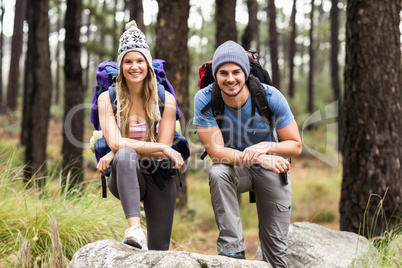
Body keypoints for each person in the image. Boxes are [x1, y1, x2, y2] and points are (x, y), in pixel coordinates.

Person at [193, 40, 302, 267]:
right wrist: (256, 157)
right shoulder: (204, 99)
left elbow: (295, 145)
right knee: (218, 172)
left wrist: (266, 148)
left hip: (272, 169)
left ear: (245, 72)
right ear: (216, 74)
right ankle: (232, 253)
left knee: (275, 255)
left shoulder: (270, 96)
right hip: (235, 169)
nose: (230, 78)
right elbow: (216, 152)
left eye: (236, 72)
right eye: (223, 73)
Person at [96, 20, 184, 251]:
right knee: (124, 155)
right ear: (121, 65)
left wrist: (116, 151)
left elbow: (159, 153)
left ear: (147, 64)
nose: (134, 66)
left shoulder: (166, 100)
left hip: (159, 176)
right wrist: (120, 150)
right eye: (128, 61)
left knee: (159, 251)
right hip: (125, 175)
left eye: (139, 60)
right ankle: (134, 229)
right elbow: (118, 143)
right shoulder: (108, 99)